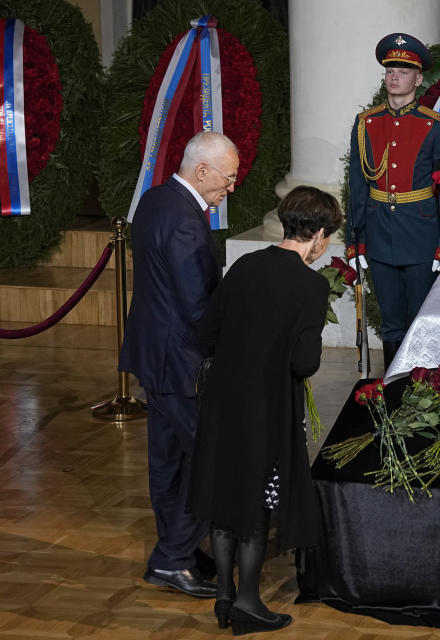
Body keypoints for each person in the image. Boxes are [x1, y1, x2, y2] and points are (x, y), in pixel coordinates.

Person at [189, 186, 342, 634]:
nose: (325, 245)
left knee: (226, 499)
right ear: (315, 234)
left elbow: (207, 330)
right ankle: (249, 602)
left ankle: (223, 597)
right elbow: (304, 362)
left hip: (223, 400)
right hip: (266, 405)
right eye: (327, 236)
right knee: (257, 503)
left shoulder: (245, 265)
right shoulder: (311, 285)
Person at [119, 130, 239, 598]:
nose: (230, 188)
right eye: (227, 179)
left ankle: (181, 553)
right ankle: (171, 558)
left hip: (153, 354)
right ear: (202, 169)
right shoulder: (188, 221)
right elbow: (197, 304)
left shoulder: (154, 199)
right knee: (212, 456)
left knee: (167, 460)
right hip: (180, 359)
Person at [347, 32, 440, 371]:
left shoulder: (436, 127)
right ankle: (395, 391)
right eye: (390, 70)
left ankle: (423, 391)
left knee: (420, 320)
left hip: (421, 235)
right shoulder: (366, 124)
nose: (394, 76)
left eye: (403, 70)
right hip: (380, 234)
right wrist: (357, 241)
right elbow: (358, 186)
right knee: (391, 322)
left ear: (418, 78)